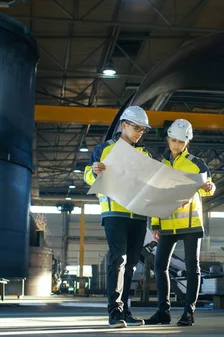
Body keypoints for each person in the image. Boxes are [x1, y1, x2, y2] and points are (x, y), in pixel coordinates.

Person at [84, 106, 151, 328]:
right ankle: (115, 313)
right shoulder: (104, 150)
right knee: (118, 260)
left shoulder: (145, 155)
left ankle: (126, 311)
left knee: (131, 265)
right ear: (124, 125)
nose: (140, 132)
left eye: (143, 129)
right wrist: (93, 171)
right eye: (136, 127)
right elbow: (88, 175)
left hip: (139, 216)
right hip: (115, 214)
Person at [146, 119, 216, 326]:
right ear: (167, 138)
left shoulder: (196, 163)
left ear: (187, 142)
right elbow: (156, 196)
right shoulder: (161, 166)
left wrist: (209, 188)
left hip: (190, 224)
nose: (176, 145)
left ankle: (188, 312)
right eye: (173, 140)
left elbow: (209, 185)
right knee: (159, 266)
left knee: (192, 267)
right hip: (167, 224)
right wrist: (156, 224)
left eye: (180, 141)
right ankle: (163, 312)